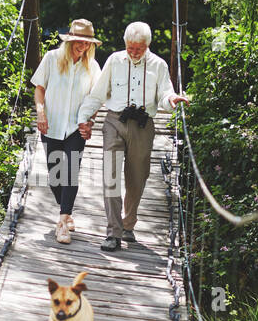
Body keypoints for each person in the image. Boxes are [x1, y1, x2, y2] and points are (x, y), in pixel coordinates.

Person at [76, 21, 191, 251]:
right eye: (130, 47)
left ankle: (128, 225)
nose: (134, 52)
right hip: (114, 122)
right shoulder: (114, 60)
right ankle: (113, 232)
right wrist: (83, 117)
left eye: (138, 48)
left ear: (147, 45)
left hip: (142, 125)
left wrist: (172, 100)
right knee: (110, 176)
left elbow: (165, 94)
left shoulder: (158, 65)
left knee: (137, 180)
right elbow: (98, 93)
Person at [31, 18, 102, 244]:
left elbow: (96, 99)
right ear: (70, 41)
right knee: (55, 177)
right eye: (79, 42)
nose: (83, 47)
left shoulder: (93, 67)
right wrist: (40, 113)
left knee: (71, 171)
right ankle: (67, 211)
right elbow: (39, 89)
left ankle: (62, 223)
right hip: (50, 125)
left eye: (87, 43)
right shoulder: (52, 59)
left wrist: (90, 121)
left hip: (75, 127)